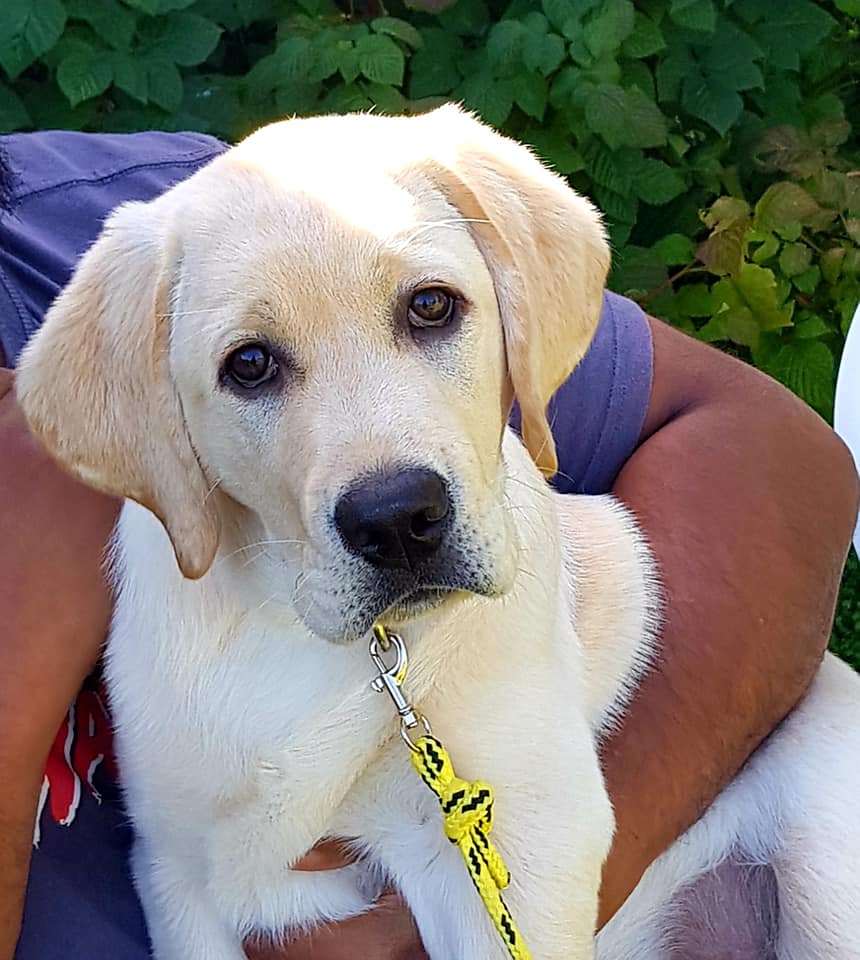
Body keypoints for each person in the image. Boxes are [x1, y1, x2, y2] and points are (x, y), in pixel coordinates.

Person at [0, 128, 856, 960]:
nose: (386, 487)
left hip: (757, 800)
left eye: (430, 309)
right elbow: (184, 877)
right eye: (252, 366)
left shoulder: (159, 204)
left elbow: (527, 826)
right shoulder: (154, 287)